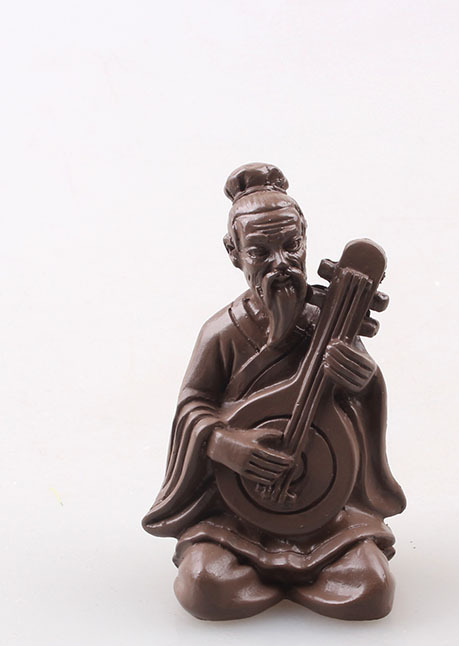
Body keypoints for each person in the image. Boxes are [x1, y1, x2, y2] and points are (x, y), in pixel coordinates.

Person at [143, 163, 406, 620]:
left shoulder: (331, 325)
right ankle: (265, 574)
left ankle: (293, 573)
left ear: (306, 239)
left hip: (327, 512)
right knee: (204, 584)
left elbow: (361, 402)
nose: (281, 263)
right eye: (260, 251)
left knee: (371, 586)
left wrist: (364, 383)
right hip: (234, 513)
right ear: (233, 253)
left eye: (291, 246)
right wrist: (226, 444)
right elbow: (192, 405)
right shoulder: (222, 332)